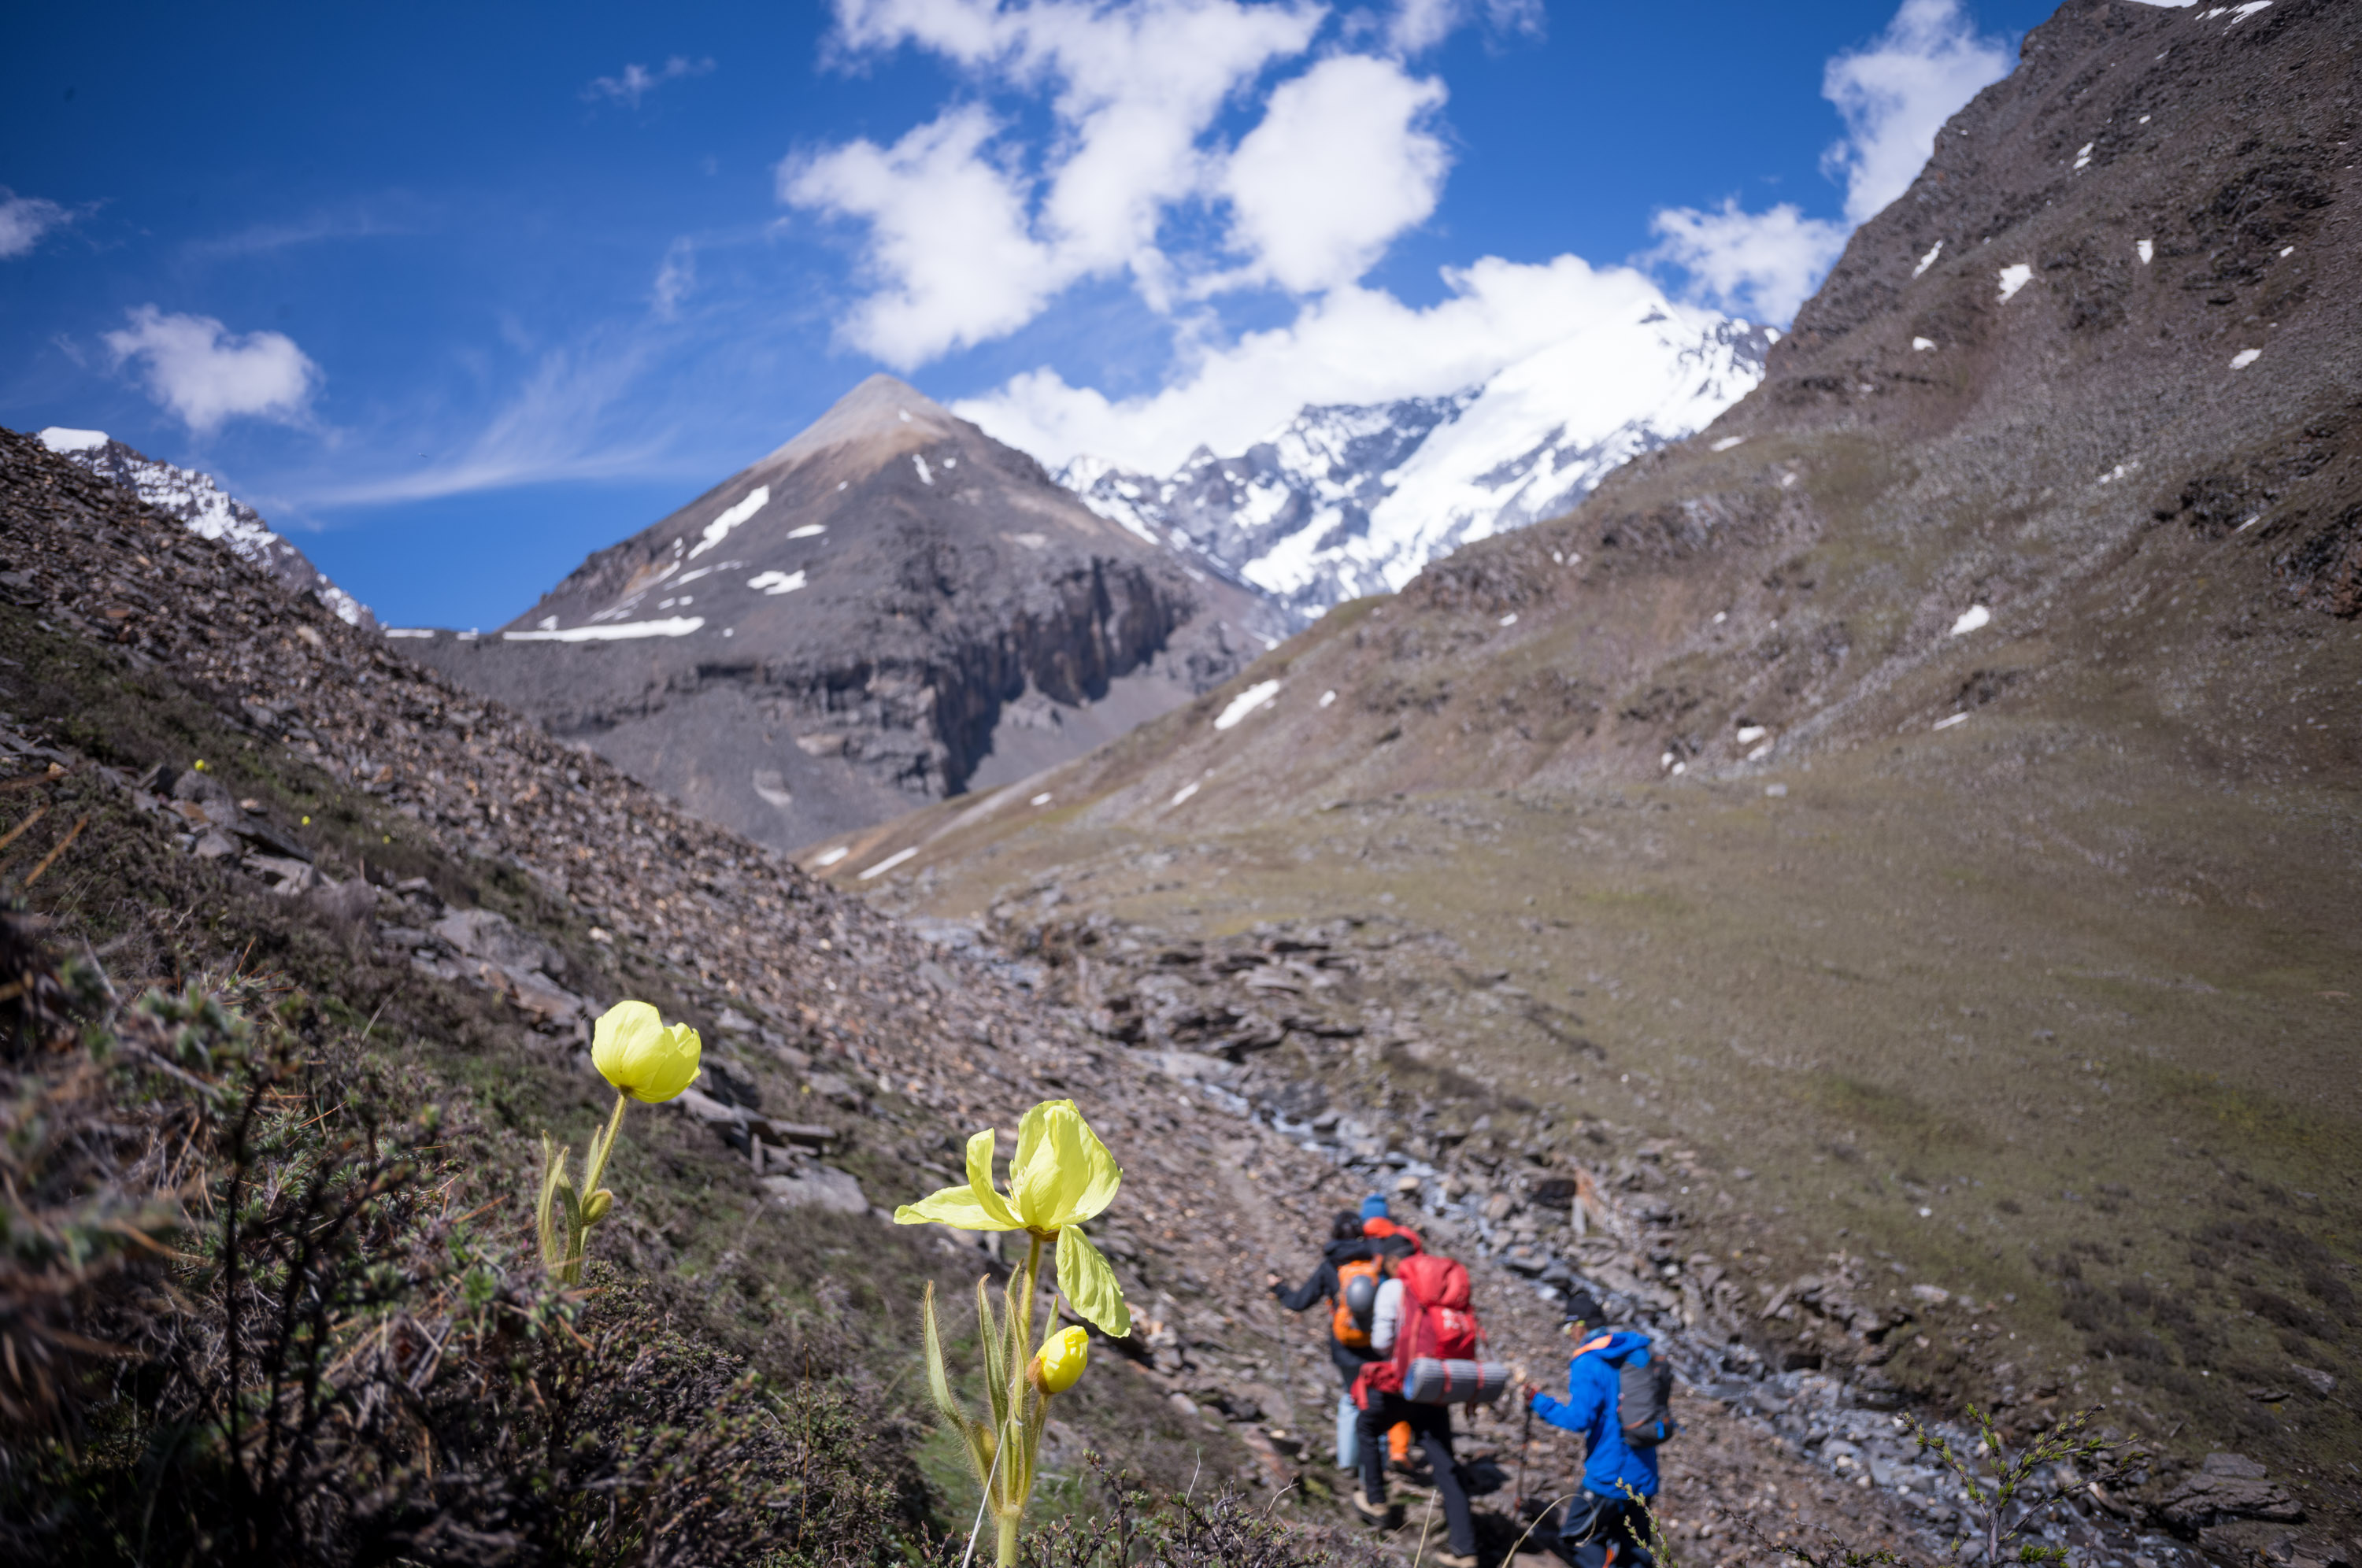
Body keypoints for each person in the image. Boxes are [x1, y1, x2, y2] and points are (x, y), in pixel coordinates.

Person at [1351, 1252, 1480, 1568]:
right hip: (1438, 1387)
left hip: (1404, 1386)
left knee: (1367, 1427)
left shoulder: (1394, 1288)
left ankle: (1376, 1501)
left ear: (1396, 1260)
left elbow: (1382, 1343)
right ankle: (1465, 1550)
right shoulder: (1447, 1293)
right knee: (1446, 1465)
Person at [1526, 1292, 1660, 1568]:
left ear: (1579, 1326)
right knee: (1636, 1551)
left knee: (1576, 1539)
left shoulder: (1588, 1362)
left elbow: (1578, 1420)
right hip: (1645, 1473)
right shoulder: (1636, 1352)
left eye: (1568, 1328)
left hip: (1609, 1476)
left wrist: (1538, 1402)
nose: (1569, 1335)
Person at [1268, 1211, 1384, 1469]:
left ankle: (1347, 1462)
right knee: (1379, 1406)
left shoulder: (1331, 1265)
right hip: (1377, 1346)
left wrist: (1279, 1288)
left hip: (1345, 1347)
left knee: (1351, 1400)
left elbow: (1299, 1302)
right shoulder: (1376, 1264)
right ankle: (1378, 1467)